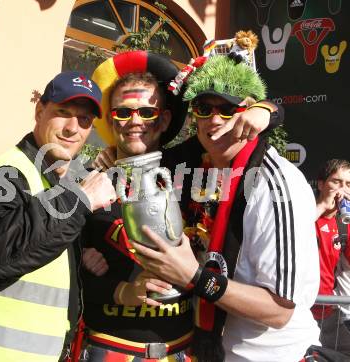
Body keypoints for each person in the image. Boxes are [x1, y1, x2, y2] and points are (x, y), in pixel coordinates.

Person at [78, 50, 283, 361]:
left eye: (147, 113)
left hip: (183, 350)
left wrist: (265, 110)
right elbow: (64, 279)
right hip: (111, 349)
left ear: (164, 119)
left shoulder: (187, 169)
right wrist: (87, 264)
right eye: (123, 112)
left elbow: (225, 124)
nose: (135, 121)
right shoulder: (88, 183)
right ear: (110, 119)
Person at [132, 54, 320, 362]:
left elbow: (279, 311)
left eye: (229, 109)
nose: (216, 120)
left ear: (247, 113)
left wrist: (193, 275)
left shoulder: (275, 183)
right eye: (204, 109)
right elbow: (143, 161)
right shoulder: (196, 165)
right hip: (209, 351)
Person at [0, 71, 116, 362]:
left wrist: (77, 258)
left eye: (85, 120)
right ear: (39, 112)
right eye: (63, 112)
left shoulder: (54, 180)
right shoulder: (3, 175)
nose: (72, 128)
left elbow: (37, 245)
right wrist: (81, 201)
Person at [312, 159, 350, 354]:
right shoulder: (304, 211)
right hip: (296, 309)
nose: (342, 190)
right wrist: (322, 206)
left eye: (348, 184)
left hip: (329, 311)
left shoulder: (344, 224)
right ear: (320, 184)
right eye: (337, 181)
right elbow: (289, 232)